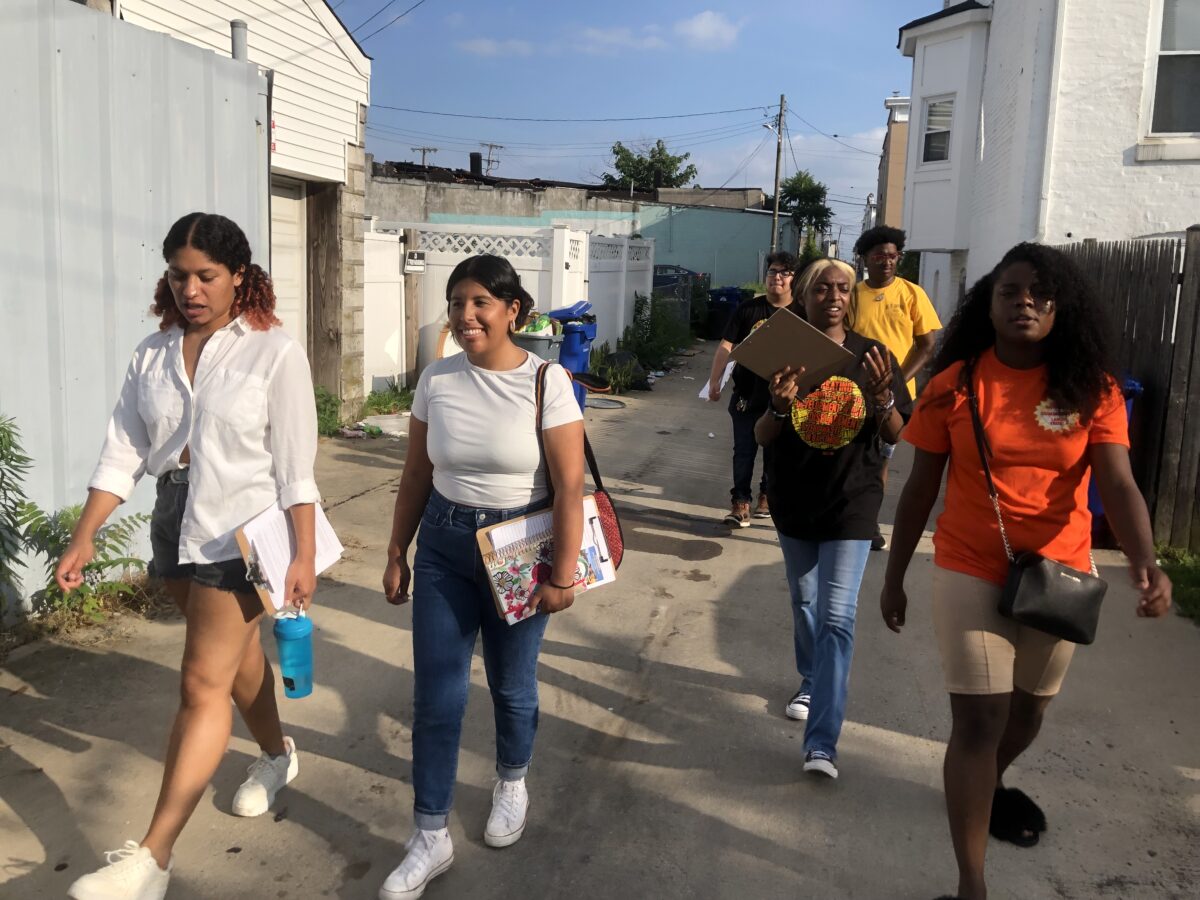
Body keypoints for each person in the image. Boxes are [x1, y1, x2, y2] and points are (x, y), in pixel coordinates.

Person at [878, 243, 1172, 900]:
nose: (1025, 303)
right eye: (1010, 291)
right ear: (990, 301)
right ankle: (971, 882)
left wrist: (1146, 563)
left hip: (1058, 575)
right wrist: (895, 576)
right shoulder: (953, 384)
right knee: (979, 722)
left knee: (1027, 718)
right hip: (969, 564)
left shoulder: (1091, 389)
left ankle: (983, 781)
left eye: (1040, 293)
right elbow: (920, 489)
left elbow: (1118, 484)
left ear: (1061, 307)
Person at [61, 213, 320, 900]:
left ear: (240, 275)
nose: (192, 289)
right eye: (179, 275)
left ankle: (151, 859)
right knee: (233, 662)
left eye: (207, 275)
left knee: (200, 684)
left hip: (242, 528)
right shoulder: (152, 352)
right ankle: (275, 755)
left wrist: (302, 551)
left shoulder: (273, 351)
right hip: (175, 516)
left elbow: (296, 466)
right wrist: (86, 532)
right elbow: (123, 447)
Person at [379, 254, 585, 900]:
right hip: (442, 545)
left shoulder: (547, 382)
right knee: (437, 696)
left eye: (479, 304)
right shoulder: (436, 381)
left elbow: (571, 487)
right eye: (456, 304)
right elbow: (416, 474)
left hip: (521, 544)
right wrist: (396, 550)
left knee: (511, 685)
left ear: (512, 311)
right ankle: (430, 833)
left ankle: (511, 779)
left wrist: (563, 571)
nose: (465, 317)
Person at [754, 257, 911, 777]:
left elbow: (894, 433)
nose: (835, 297)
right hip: (795, 499)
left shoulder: (875, 357)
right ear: (804, 294)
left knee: (838, 618)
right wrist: (778, 406)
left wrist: (884, 396)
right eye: (823, 289)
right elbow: (761, 434)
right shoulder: (783, 352)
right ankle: (809, 677)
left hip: (853, 501)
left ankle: (822, 743)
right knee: (805, 601)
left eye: (844, 289)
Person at [850, 226, 942, 550]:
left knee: (881, 459)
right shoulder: (853, 295)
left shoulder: (911, 293)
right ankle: (851, 518)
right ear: (865, 259)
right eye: (879, 256)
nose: (887, 262)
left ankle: (870, 523)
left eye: (892, 256)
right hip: (856, 392)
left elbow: (927, 345)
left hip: (897, 397)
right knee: (854, 457)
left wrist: (897, 379)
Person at [706, 251, 800, 527]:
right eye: (772, 272)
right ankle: (740, 504)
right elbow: (726, 345)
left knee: (775, 451)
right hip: (746, 395)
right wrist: (715, 380)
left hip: (782, 399)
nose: (777, 278)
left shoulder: (801, 313)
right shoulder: (749, 309)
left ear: (794, 279)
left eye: (784, 273)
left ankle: (766, 496)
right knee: (744, 451)